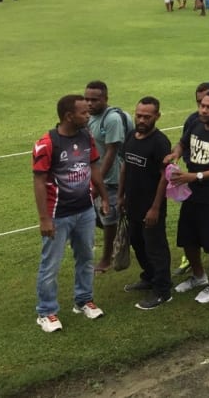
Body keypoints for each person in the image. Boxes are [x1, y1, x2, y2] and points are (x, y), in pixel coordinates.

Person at [33, 94, 109, 332]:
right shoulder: (47, 144)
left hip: (85, 210)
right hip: (58, 215)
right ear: (69, 116)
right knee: (51, 265)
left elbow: (94, 167)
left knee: (86, 258)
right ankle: (46, 312)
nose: (88, 115)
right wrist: (44, 218)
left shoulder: (87, 137)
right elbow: (39, 181)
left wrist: (104, 197)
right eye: (84, 113)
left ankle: (83, 300)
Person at [165, 88, 209, 304]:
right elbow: (182, 143)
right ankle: (198, 276)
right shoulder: (196, 124)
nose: (203, 110)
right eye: (202, 106)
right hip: (192, 195)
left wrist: (193, 176)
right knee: (188, 239)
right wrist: (176, 153)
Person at [118, 96, 173, 310]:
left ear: (157, 116)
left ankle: (163, 290)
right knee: (137, 243)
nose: (141, 120)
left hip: (151, 206)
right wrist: (120, 195)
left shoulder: (160, 142)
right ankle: (149, 277)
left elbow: (165, 176)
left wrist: (156, 207)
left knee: (155, 247)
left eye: (147, 116)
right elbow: (124, 166)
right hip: (132, 203)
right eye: (138, 115)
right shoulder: (132, 135)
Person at [84, 80, 127, 273]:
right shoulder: (91, 117)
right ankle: (123, 234)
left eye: (95, 100)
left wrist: (97, 183)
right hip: (98, 176)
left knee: (108, 218)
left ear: (106, 99)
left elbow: (111, 152)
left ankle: (107, 258)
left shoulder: (112, 120)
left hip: (113, 179)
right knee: (99, 216)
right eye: (87, 99)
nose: (89, 103)